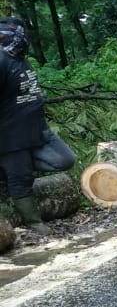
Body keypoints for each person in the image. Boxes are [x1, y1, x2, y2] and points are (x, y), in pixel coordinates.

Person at [0, 17, 75, 234]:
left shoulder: (20, 59)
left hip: (36, 131)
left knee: (64, 159)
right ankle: (35, 223)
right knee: (20, 179)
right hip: (11, 138)